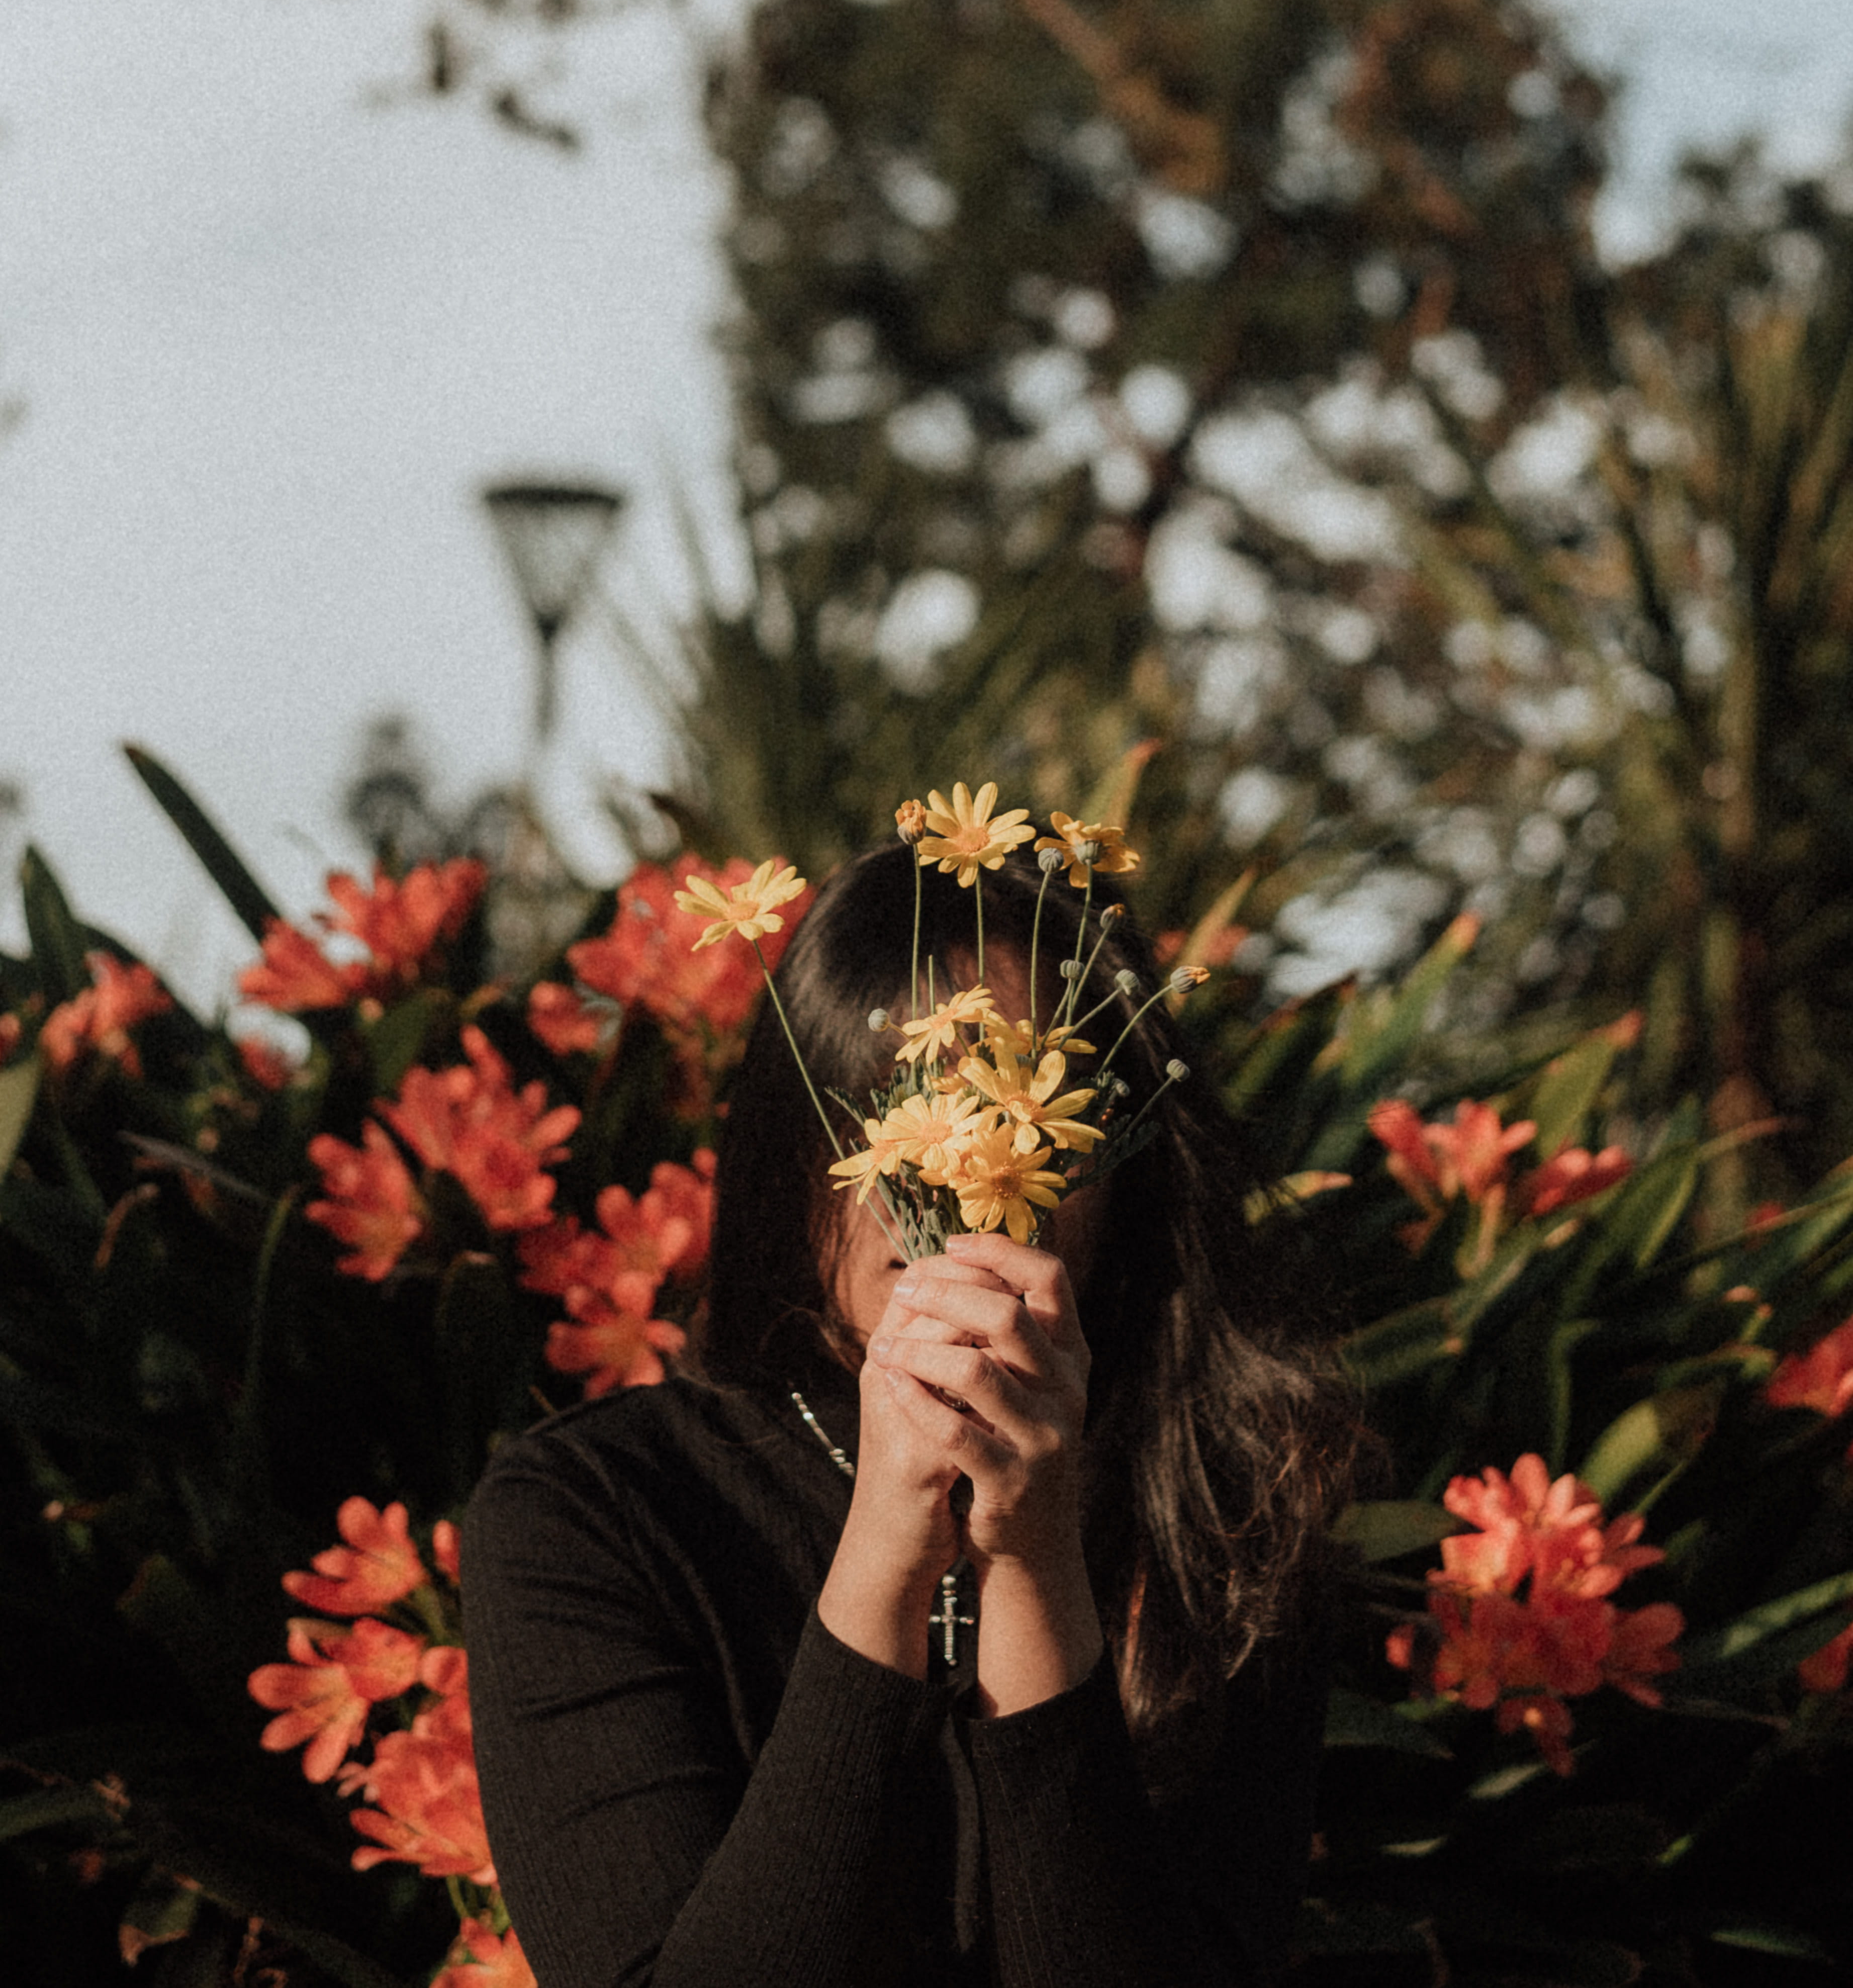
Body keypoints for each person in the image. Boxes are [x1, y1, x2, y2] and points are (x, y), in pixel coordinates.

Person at [462, 840, 1359, 1987]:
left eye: (1017, 1123)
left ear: (1121, 1169)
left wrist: (1032, 1560)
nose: (942, 1176)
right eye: (885, 1117)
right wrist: (885, 1548)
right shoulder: (592, 1514)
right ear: (798, 1153)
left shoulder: (1227, 1513)